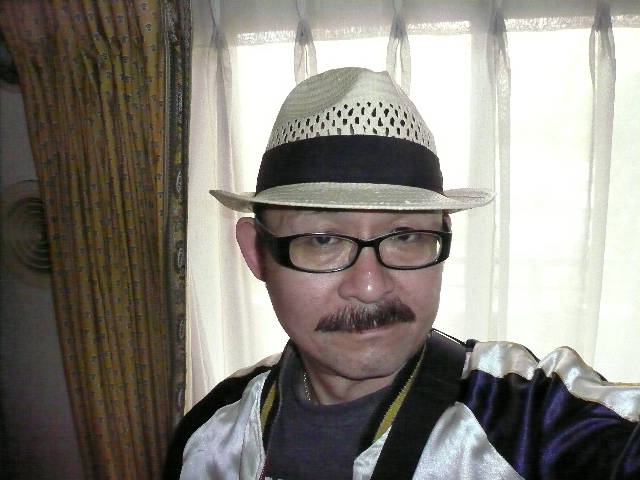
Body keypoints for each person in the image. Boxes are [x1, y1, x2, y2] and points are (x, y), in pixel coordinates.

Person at [164, 67, 640, 479]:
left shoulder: (533, 417)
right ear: (256, 252)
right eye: (323, 240)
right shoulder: (212, 433)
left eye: (406, 236)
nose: (370, 287)